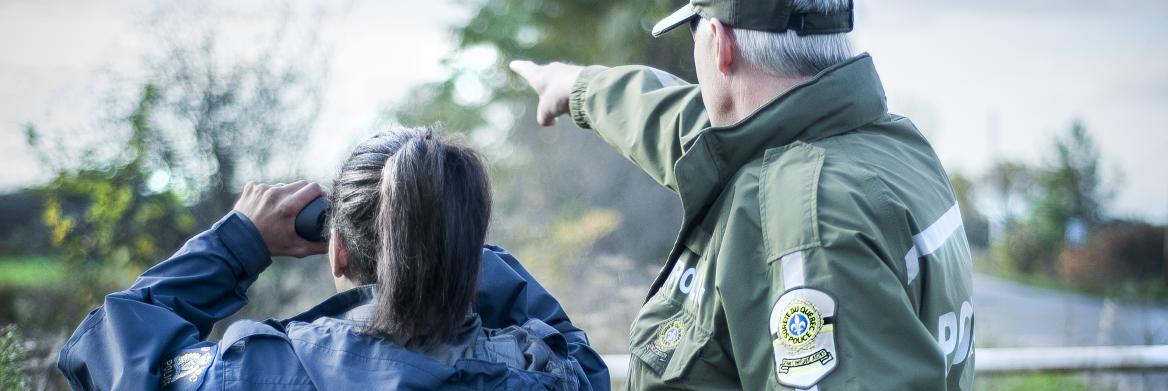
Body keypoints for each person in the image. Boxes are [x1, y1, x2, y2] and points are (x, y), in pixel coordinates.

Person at [509, 0, 974, 389]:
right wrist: (574, 86)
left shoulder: (804, 214)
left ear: (721, 44)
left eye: (695, 33)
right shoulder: (888, 146)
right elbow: (677, 122)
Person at [57, 128, 609, 390]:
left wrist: (238, 241)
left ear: (338, 248)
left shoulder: (254, 371)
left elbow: (112, 352)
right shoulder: (550, 373)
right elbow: (575, 346)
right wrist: (446, 241)